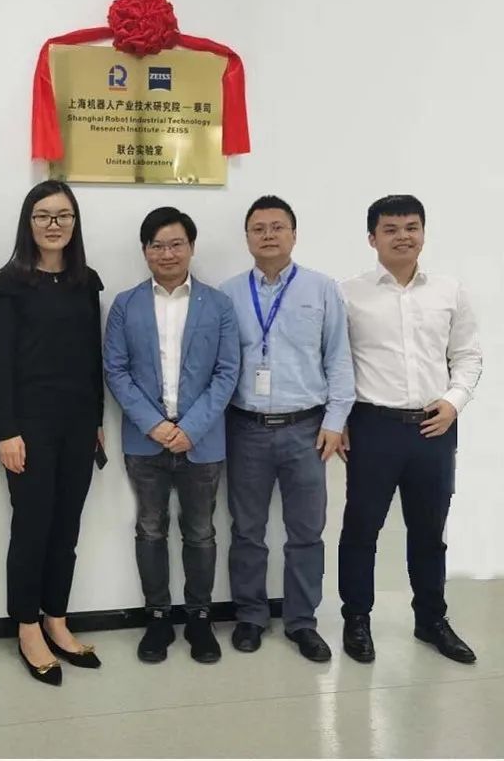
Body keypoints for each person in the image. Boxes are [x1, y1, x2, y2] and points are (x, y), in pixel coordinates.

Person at [338, 195, 482, 665]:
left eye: (411, 227)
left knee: (429, 531)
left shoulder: (449, 291)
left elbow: (467, 356)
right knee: (362, 529)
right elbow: (335, 362)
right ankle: (357, 619)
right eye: (391, 229)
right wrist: (338, 420)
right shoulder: (348, 294)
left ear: (423, 232)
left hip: (434, 428)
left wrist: (453, 402)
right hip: (372, 427)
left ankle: (431, 620)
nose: (403, 236)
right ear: (372, 238)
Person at [221, 195, 355, 662]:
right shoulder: (228, 294)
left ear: (294, 234)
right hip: (245, 427)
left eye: (277, 227)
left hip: (307, 428)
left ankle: (302, 622)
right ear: (247, 238)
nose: (268, 235)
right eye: (258, 228)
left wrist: (336, 421)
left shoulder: (322, 289)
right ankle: (251, 616)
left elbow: (339, 358)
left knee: (306, 531)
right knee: (247, 529)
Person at [104, 207, 240, 665]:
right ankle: (158, 617)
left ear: (191, 247)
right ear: (145, 251)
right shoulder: (126, 305)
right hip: (146, 441)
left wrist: (191, 428)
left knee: (201, 531)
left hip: (202, 442)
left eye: (176, 244)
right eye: (157, 245)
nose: (167, 253)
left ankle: (200, 617)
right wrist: (155, 425)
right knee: (149, 528)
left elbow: (227, 371)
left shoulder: (217, 304)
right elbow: (116, 370)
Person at [0, 179, 105, 687]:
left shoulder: (86, 282)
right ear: (28, 223)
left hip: (78, 425)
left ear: (74, 222)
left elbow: (92, 357)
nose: (54, 225)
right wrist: (7, 431)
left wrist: (97, 420)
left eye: (63, 215)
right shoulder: (10, 283)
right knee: (32, 529)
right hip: (29, 428)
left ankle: (56, 617)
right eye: (43, 216)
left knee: (66, 528)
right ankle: (27, 626)